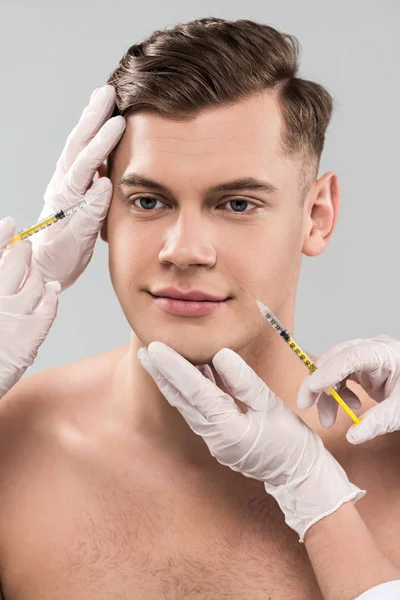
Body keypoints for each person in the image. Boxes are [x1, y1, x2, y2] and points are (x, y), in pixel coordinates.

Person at [0, 17, 399, 599]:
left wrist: (315, 492)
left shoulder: (393, 460)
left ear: (317, 216)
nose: (184, 250)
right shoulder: (13, 446)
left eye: (237, 203)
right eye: (148, 200)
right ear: (99, 209)